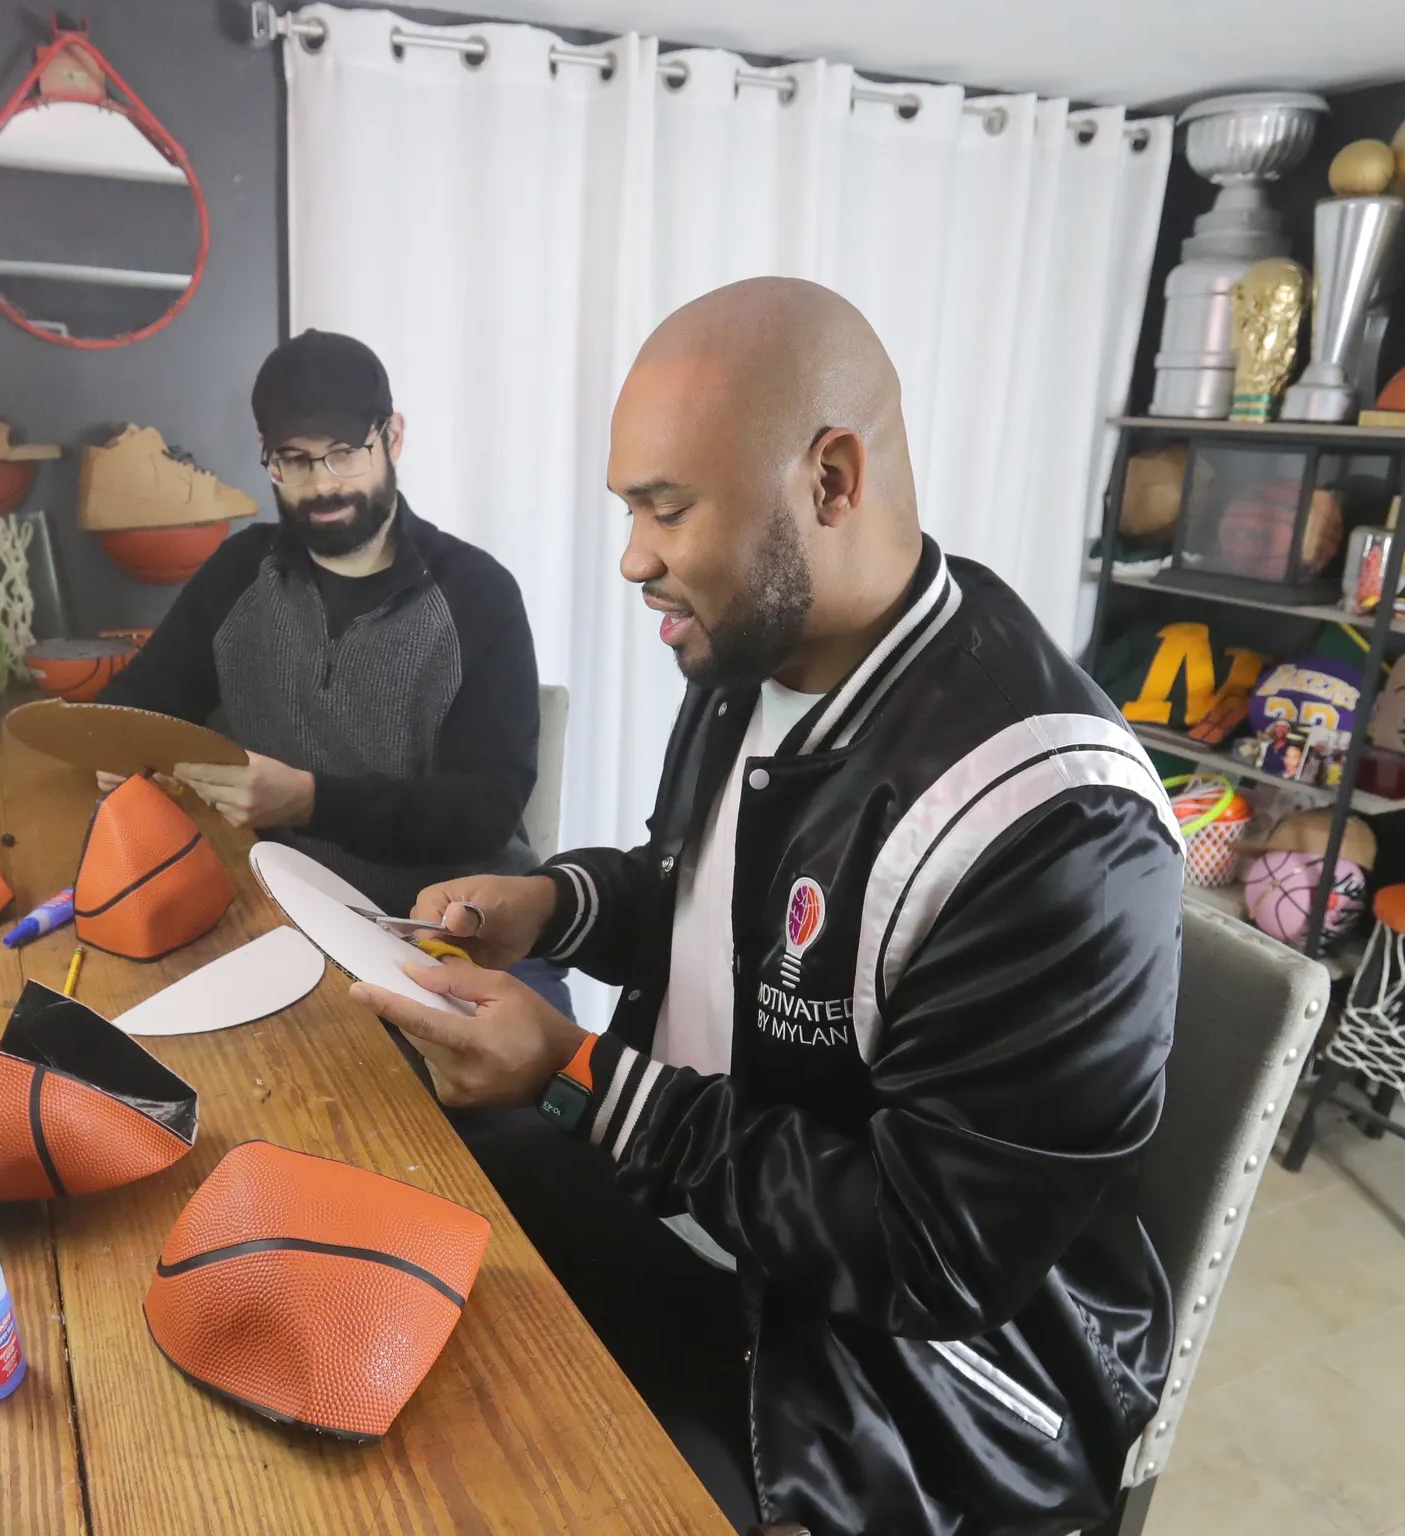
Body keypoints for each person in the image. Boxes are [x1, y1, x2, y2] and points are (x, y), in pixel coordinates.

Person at [351, 279, 1184, 1534]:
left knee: (486, 1474)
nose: (633, 557)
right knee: (405, 1205)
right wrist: (555, 908)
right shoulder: (756, 656)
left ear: (830, 483)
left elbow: (933, 1251)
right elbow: (701, 904)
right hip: (709, 1228)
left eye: (665, 508)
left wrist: (579, 1070)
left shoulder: (1052, 821)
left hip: (896, 1400)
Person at [98, 331, 565, 1008]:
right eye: (293, 460)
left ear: (393, 437)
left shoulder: (478, 594)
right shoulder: (238, 573)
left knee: (524, 1109)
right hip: (295, 929)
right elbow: (135, 705)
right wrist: (120, 748)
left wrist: (309, 800)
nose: (321, 486)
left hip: (458, 935)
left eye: (343, 454)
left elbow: (486, 809)